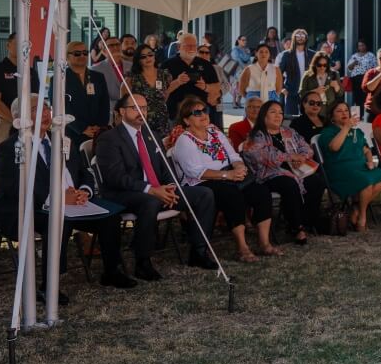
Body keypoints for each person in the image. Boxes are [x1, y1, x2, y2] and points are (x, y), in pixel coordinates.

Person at [0, 103, 137, 289]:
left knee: (110, 217)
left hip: (72, 204)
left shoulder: (61, 140)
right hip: (29, 208)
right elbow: (16, 187)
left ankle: (112, 271)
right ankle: (49, 285)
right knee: (59, 221)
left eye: (47, 108)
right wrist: (58, 199)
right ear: (20, 118)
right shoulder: (11, 148)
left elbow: (83, 171)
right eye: (36, 109)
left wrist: (84, 190)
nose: (45, 114)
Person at [96, 91, 219, 273]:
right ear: (122, 112)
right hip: (124, 194)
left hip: (158, 190)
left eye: (144, 108)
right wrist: (151, 190)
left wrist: (169, 188)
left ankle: (199, 252)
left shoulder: (150, 135)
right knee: (150, 200)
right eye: (135, 108)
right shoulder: (109, 138)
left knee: (204, 194)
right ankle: (143, 261)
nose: (141, 112)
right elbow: (115, 177)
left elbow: (166, 168)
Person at [170, 96, 277, 262]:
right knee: (231, 194)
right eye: (196, 113)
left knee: (260, 190)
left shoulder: (214, 132)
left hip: (227, 175)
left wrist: (238, 166)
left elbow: (233, 154)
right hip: (200, 183)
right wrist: (227, 175)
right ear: (186, 120)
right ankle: (242, 247)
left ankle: (264, 242)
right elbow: (194, 171)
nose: (203, 114)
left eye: (204, 110)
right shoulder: (184, 140)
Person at [241, 100, 323, 246]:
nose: (278, 116)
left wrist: (302, 157)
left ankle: (307, 221)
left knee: (316, 181)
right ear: (264, 115)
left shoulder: (289, 132)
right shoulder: (256, 136)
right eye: (273, 112)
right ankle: (296, 227)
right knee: (289, 184)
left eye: (280, 112)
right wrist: (290, 157)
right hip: (268, 174)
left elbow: (306, 147)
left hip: (296, 169)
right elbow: (263, 157)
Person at [316, 100, 381, 231]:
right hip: (340, 170)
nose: (344, 113)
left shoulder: (357, 132)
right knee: (366, 182)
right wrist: (346, 128)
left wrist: (370, 161)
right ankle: (362, 218)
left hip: (359, 167)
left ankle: (356, 209)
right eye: (339, 111)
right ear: (332, 116)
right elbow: (334, 147)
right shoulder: (327, 132)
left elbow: (366, 150)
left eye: (346, 110)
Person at [61, 40, 110, 150]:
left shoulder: (98, 77)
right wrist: (82, 128)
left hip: (97, 133)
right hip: (73, 133)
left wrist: (100, 127)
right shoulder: (60, 79)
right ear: (67, 56)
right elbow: (61, 108)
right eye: (77, 53)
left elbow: (104, 104)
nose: (82, 56)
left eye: (85, 53)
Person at [164, 33, 221, 123]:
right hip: (175, 114)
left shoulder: (206, 64)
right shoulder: (167, 65)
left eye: (194, 46)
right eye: (188, 46)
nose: (191, 48)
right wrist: (177, 82)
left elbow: (217, 88)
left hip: (201, 114)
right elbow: (160, 92)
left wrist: (205, 87)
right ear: (179, 47)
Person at [124, 46, 175, 142]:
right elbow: (123, 101)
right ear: (138, 60)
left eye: (150, 55)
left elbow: (164, 97)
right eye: (143, 57)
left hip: (162, 121)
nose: (148, 58)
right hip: (141, 121)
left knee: (163, 151)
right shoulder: (132, 78)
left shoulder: (165, 74)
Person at [0, 34, 22, 147]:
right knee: (4, 161)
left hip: (28, 123)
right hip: (5, 123)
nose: (21, 47)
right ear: (8, 45)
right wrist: (15, 121)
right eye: (17, 43)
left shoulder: (31, 72)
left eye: (25, 44)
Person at [277, 29, 312, 117]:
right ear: (294, 38)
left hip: (308, 92)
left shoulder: (312, 54)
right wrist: (282, 88)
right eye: (298, 36)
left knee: (308, 118)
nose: (300, 38)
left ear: (306, 38)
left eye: (303, 36)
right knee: (289, 119)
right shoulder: (286, 55)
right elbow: (278, 73)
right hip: (291, 92)